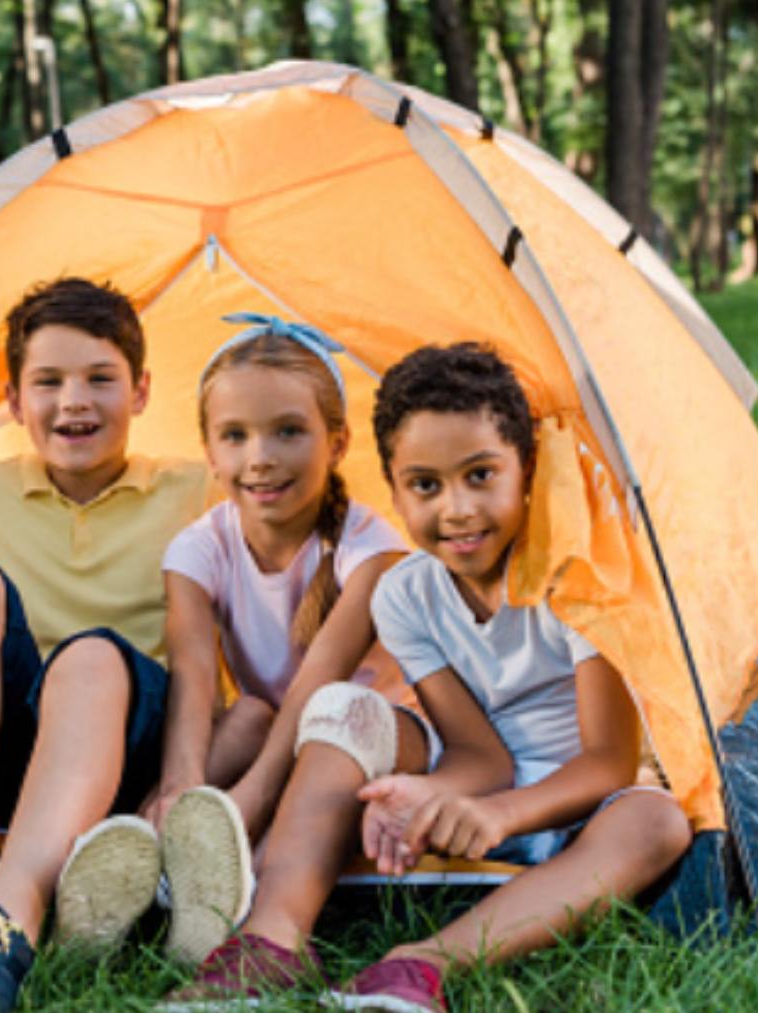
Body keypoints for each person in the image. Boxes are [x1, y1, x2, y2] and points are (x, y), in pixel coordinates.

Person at [322, 343, 692, 1013]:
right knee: (347, 737)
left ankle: (419, 965)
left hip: (581, 797)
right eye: (426, 485)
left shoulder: (577, 578)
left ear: (525, 471)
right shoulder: (403, 596)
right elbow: (478, 753)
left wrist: (497, 814)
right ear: (394, 487)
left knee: (658, 822)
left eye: (480, 475)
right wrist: (428, 796)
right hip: (488, 799)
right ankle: (268, 898)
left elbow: (609, 760)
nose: (457, 509)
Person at [154, 318, 509, 1005]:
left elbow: (322, 680)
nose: (260, 457)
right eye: (236, 436)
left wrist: (248, 799)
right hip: (286, 740)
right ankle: (153, 857)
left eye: (288, 431)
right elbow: (194, 675)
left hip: (390, 734)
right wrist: (183, 788)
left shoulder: (372, 547)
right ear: (208, 450)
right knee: (246, 715)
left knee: (332, 707)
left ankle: (274, 937)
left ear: (337, 442)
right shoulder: (197, 548)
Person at [0, 277, 213, 1012]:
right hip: (24, 743)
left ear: (140, 392)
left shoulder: (197, 489)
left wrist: (186, 772)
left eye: (101, 379)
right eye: (49, 382)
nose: (75, 401)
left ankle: (15, 911)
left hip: (128, 734)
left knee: (92, 655)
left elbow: (204, 643)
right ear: (13, 402)